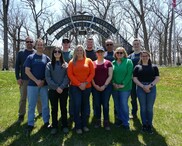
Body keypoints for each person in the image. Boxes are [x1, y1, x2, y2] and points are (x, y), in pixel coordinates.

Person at [24, 38, 50, 136]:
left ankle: (46, 122)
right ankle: (30, 123)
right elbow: (27, 71)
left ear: (43, 47)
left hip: (44, 85)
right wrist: (36, 81)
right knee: (31, 105)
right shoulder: (30, 57)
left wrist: (43, 81)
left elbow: (50, 70)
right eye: (38, 44)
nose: (40, 46)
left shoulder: (46, 58)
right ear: (36, 46)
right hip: (32, 85)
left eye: (41, 45)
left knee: (45, 104)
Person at [67, 45, 95, 134]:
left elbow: (92, 73)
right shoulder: (72, 62)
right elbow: (70, 75)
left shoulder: (88, 61)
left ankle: (84, 125)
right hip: (75, 87)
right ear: (75, 52)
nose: (79, 52)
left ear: (83, 51)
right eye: (78, 50)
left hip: (87, 87)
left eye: (81, 50)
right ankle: (78, 126)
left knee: (85, 105)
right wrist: (79, 84)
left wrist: (85, 83)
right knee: (77, 105)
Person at [15, 36, 42, 123]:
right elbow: (16, 66)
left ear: (33, 43)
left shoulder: (36, 52)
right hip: (24, 79)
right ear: (25, 43)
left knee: (38, 97)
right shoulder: (21, 53)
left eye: (31, 41)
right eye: (27, 42)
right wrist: (18, 77)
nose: (29, 43)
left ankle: (40, 112)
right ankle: (21, 114)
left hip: (35, 79)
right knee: (23, 97)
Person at [133, 50, 160, 134]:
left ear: (149, 57)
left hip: (151, 88)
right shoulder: (137, 67)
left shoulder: (154, 67)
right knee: (143, 108)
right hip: (141, 88)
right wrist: (143, 86)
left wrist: (149, 86)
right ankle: (144, 124)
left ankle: (149, 125)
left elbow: (157, 78)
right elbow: (134, 78)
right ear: (141, 57)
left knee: (149, 108)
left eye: (146, 56)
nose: (144, 57)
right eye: (143, 56)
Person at [45, 47, 69, 135]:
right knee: (54, 108)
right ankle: (54, 126)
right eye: (55, 52)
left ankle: (65, 125)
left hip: (64, 89)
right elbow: (48, 77)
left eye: (59, 51)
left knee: (63, 108)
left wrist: (62, 87)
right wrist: (56, 87)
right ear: (53, 53)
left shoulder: (65, 64)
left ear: (61, 53)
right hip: (52, 90)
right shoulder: (49, 64)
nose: (57, 53)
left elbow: (67, 77)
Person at [112, 47, 133, 130]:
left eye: (121, 53)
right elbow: (111, 74)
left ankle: (125, 122)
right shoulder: (112, 63)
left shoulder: (128, 62)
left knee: (124, 104)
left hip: (125, 88)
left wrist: (123, 84)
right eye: (118, 53)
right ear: (115, 54)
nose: (119, 54)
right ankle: (120, 119)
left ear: (124, 54)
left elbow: (129, 74)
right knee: (117, 105)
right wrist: (113, 83)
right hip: (115, 87)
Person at [92, 47, 113, 131]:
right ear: (96, 53)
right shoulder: (92, 63)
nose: (100, 53)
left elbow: (110, 75)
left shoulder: (108, 63)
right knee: (97, 104)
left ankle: (106, 121)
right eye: (98, 52)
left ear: (104, 53)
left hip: (106, 87)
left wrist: (104, 85)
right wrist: (95, 85)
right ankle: (98, 120)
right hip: (95, 87)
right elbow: (91, 76)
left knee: (105, 104)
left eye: (101, 52)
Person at [61, 37, 74, 125]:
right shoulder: (58, 52)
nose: (66, 44)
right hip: (61, 79)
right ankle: (63, 114)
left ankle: (71, 113)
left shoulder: (72, 53)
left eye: (67, 42)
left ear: (69, 43)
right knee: (63, 98)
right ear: (62, 43)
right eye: (64, 42)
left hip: (71, 78)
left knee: (71, 97)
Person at [128, 38, 142, 119]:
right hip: (132, 80)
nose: (136, 45)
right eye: (135, 44)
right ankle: (134, 113)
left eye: (138, 44)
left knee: (142, 98)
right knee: (133, 97)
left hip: (142, 80)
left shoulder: (143, 54)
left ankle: (144, 113)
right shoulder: (130, 56)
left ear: (140, 45)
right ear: (133, 46)